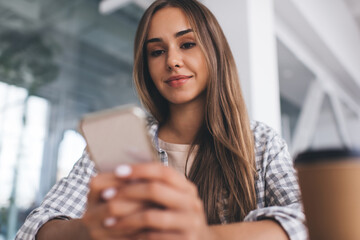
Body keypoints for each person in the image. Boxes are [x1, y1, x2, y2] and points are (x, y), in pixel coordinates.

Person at [16, 0, 307, 239]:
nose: (172, 60)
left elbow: (309, 220)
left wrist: (202, 236)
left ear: (214, 52)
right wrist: (88, 229)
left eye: (188, 44)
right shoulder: (119, 142)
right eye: (157, 51)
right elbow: (33, 228)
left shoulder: (261, 142)